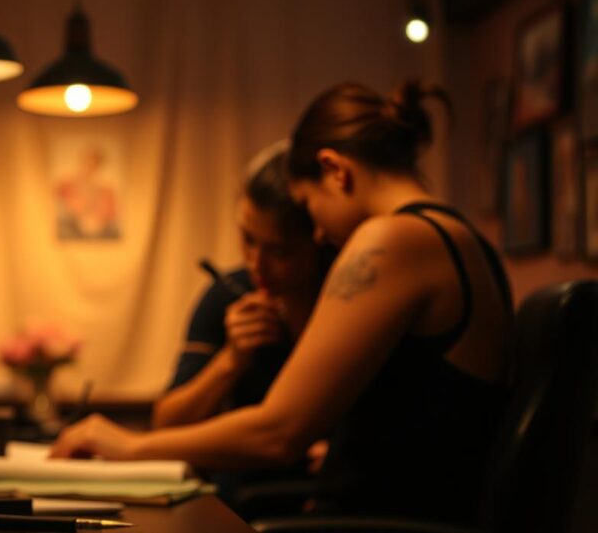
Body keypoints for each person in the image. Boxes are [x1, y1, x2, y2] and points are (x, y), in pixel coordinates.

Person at [50, 81, 513, 526]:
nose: (317, 232)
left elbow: (279, 433)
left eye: (308, 206)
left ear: (336, 170)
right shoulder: (459, 236)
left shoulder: (391, 240)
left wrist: (127, 446)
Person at [150, 144, 333, 514]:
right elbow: (165, 424)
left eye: (279, 252)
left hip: (335, 507)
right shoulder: (227, 295)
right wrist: (231, 361)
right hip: (236, 506)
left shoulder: (349, 302)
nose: (256, 264)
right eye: (248, 239)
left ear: (319, 242)